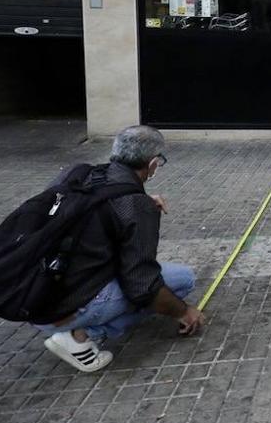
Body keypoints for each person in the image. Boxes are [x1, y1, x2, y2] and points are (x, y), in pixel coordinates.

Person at [33, 126, 204, 373]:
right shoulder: (134, 205)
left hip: (36, 293)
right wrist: (184, 311)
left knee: (175, 279)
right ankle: (82, 335)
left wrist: (141, 200)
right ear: (153, 163)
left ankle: (75, 324)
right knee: (181, 282)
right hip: (64, 307)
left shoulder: (79, 175)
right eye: (160, 162)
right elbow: (142, 285)